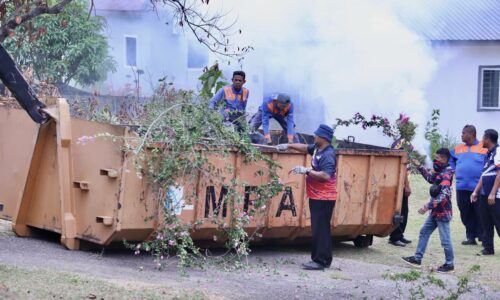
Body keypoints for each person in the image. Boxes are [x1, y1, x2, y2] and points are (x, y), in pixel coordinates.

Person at [277, 124, 336, 271]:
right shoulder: (317, 148)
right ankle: (326, 259)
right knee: (322, 228)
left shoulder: (328, 155)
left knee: (319, 229)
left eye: (316, 135)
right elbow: (304, 147)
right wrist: (288, 146)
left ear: (323, 137)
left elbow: (325, 176)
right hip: (317, 196)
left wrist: (306, 171)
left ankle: (319, 261)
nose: (314, 136)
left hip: (324, 198)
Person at [402, 148, 455, 273]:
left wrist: (427, 206)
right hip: (436, 212)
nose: (435, 161)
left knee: (445, 240)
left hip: (442, 212)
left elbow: (444, 194)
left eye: (437, 158)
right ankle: (417, 259)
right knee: (424, 232)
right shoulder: (440, 172)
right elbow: (430, 179)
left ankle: (449, 264)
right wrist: (419, 166)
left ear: (444, 159)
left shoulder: (447, 173)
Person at [450, 125, 487, 245]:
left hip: (478, 187)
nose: (461, 135)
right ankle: (470, 237)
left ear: (472, 134)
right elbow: (450, 159)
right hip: (461, 186)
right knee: (465, 212)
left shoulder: (483, 147)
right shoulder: (458, 148)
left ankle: (483, 237)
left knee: (480, 212)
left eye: (464, 133)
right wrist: (454, 168)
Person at [471, 129, 500, 256]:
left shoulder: (498, 151)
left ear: (488, 139)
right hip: (484, 194)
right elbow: (485, 174)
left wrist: (493, 193)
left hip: (496, 195)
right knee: (486, 221)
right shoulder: (488, 153)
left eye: (483, 138)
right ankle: (488, 248)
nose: (482, 140)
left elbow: (499, 173)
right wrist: (476, 191)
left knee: (498, 221)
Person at [389, 170, 412, 247]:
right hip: (399, 186)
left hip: (400, 185)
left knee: (404, 211)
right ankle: (395, 237)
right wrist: (406, 185)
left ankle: (399, 235)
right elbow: (403, 170)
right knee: (399, 212)